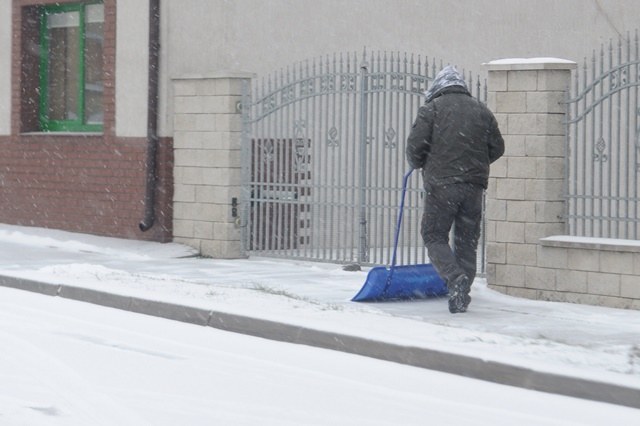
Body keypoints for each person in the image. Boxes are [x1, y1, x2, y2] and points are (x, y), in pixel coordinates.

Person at [406, 65, 504, 313]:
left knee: (433, 234)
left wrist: (420, 163)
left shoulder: (432, 109)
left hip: (442, 186)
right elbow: (498, 147)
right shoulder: (482, 111)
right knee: (466, 241)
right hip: (473, 187)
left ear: (437, 87)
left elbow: (416, 146)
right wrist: (474, 165)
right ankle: (461, 292)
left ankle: (454, 277)